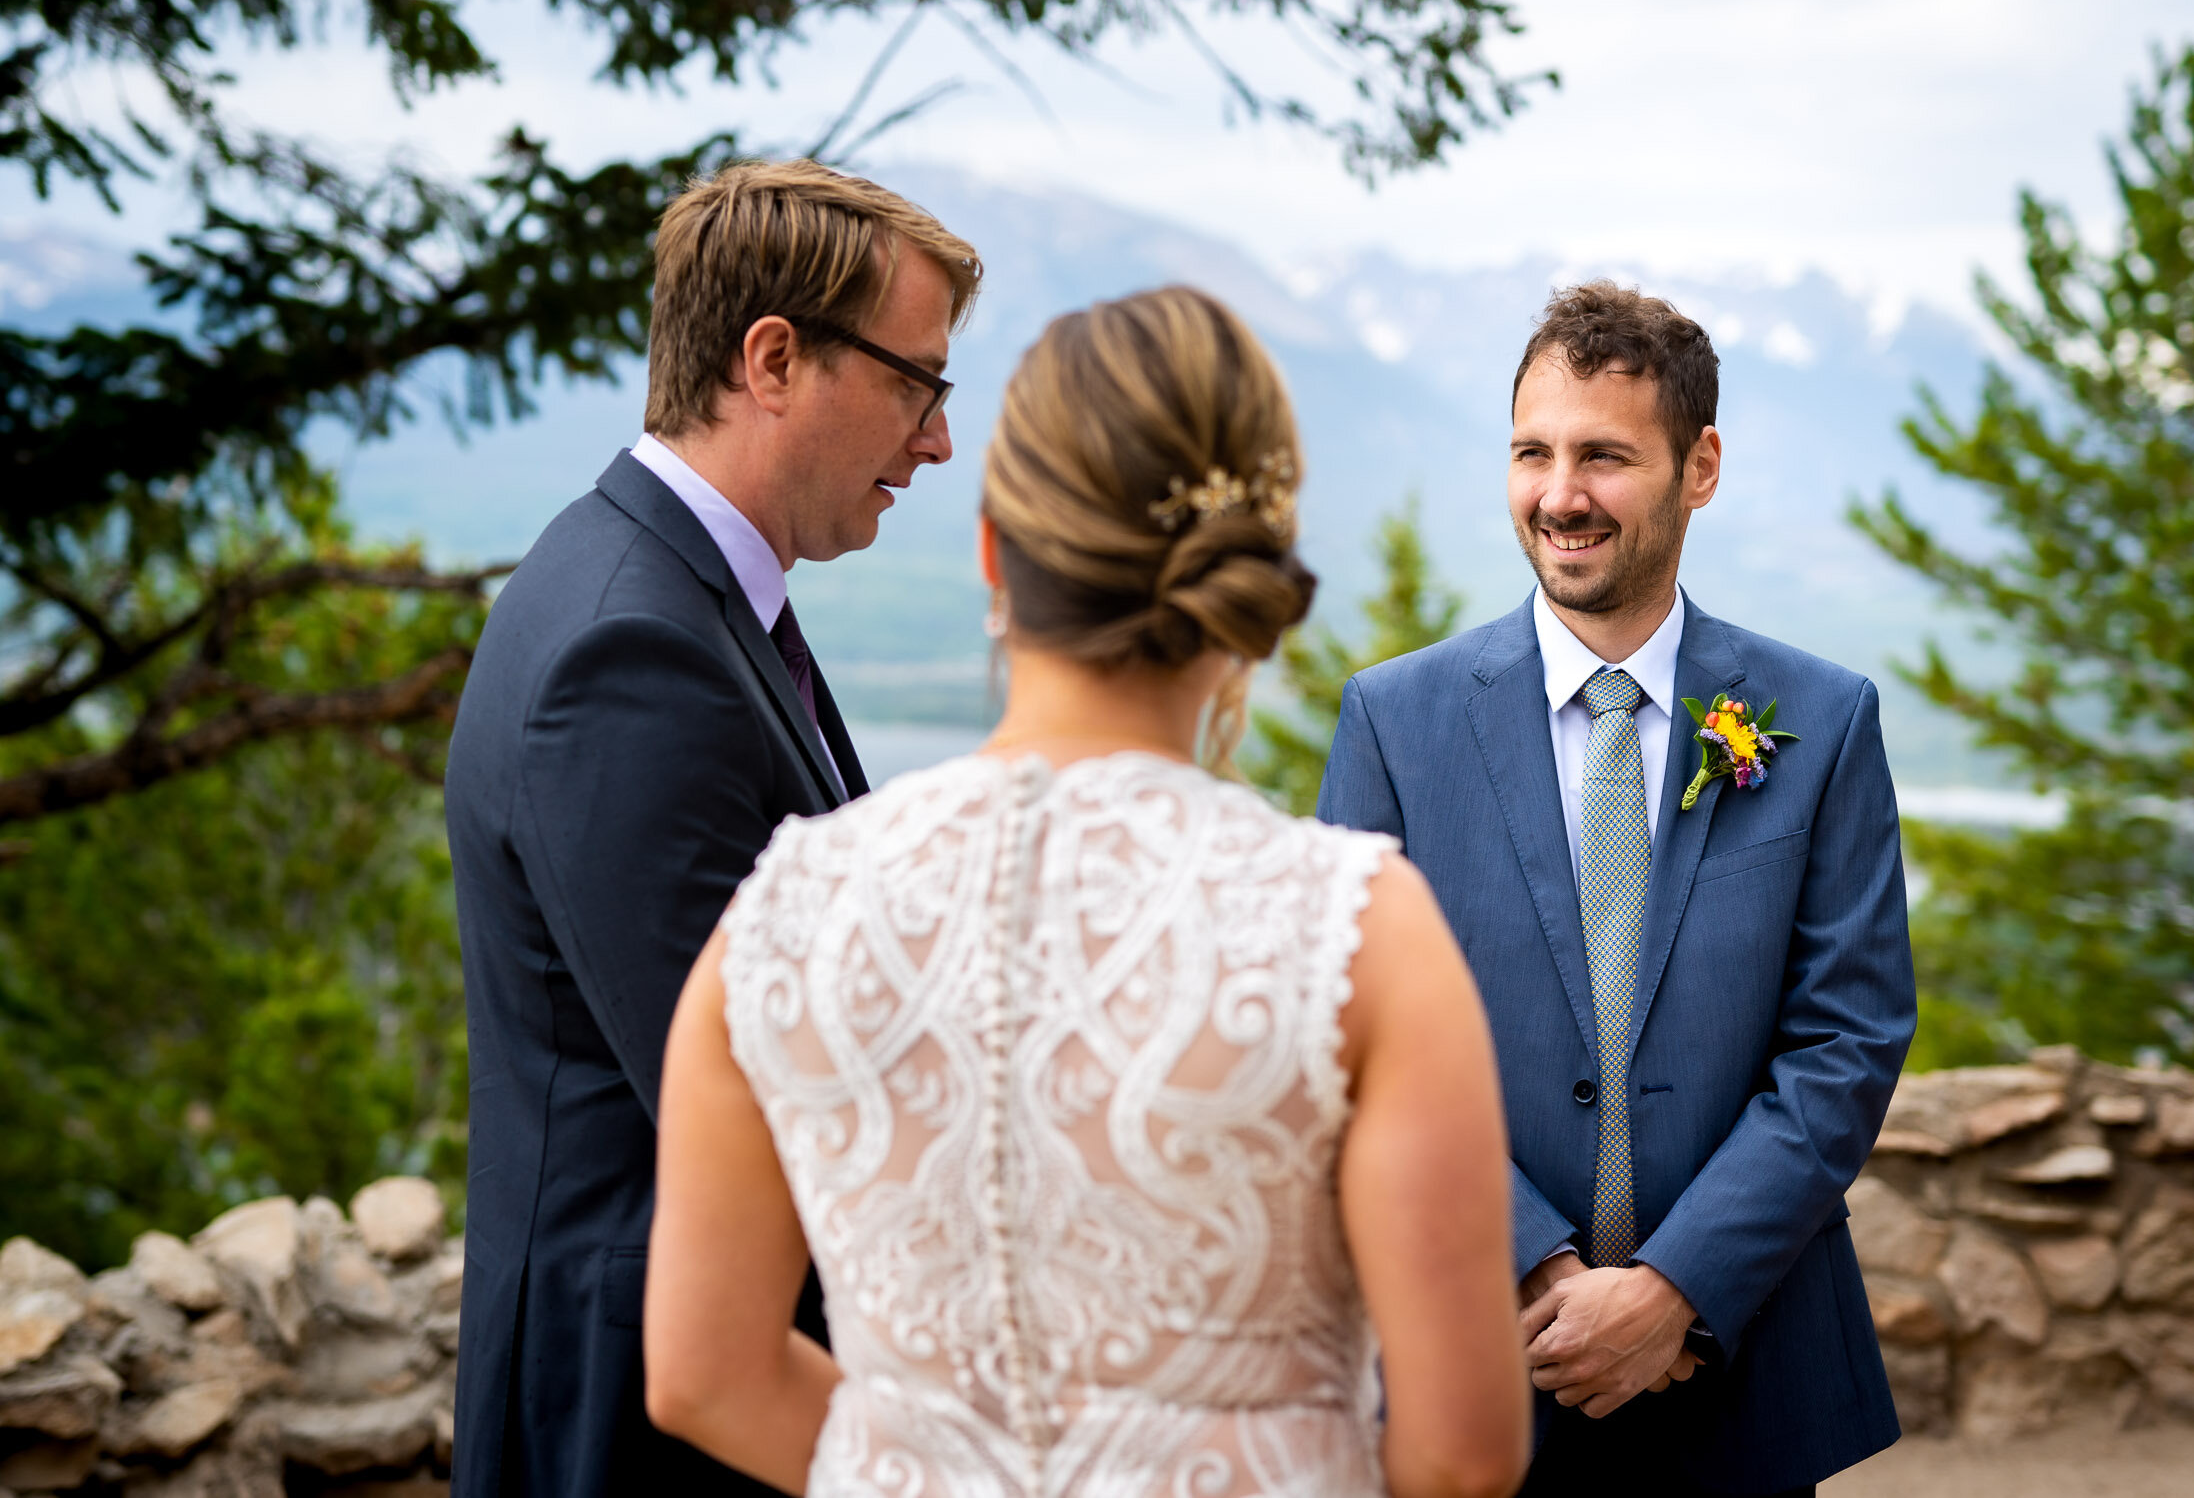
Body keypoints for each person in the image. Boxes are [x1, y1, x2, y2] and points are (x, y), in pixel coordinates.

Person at [642, 286, 1531, 1498]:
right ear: (1249, 578)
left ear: (993, 552)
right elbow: (1463, 1454)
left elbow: (701, 1372)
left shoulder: (783, 912)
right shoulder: (1352, 928)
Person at [1318, 281, 1916, 1496]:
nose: (1558, 495)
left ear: (1698, 467)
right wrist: (1536, 1268)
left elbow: (1846, 1040)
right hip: (1470, 1359)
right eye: (1531, 453)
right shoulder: (1395, 721)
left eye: (1603, 456)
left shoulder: (1822, 719)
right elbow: (1345, 1031)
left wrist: (1674, 1290)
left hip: (1738, 1379)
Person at [443, 159, 982, 1498]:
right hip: (636, 1426)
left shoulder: (675, 594)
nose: (936, 442)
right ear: (775, 358)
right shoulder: (628, 646)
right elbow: (764, 1101)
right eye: (920, 383)